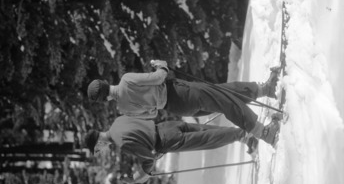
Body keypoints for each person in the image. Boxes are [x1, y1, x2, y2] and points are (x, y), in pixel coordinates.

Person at [87, 60, 280, 142]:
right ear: (105, 83)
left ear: (105, 99)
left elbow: (152, 114)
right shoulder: (126, 80)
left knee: (221, 93)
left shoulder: (123, 108)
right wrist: (161, 66)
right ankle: (263, 132)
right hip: (178, 92)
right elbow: (158, 78)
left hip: (176, 107)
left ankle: (264, 89)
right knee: (223, 101)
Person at [83, 114, 280, 184]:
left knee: (207, 139)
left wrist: (138, 178)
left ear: (98, 143)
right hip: (165, 126)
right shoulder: (118, 121)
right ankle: (245, 137)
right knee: (206, 130)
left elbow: (148, 157)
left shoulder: (121, 143)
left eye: (98, 149)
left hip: (166, 141)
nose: (102, 151)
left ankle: (244, 136)